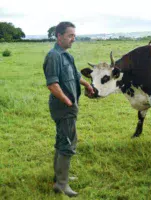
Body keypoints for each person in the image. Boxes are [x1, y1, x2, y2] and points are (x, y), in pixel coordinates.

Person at [43, 21, 94, 197]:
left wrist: (87, 84)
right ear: (59, 36)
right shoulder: (54, 56)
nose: (74, 39)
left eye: (74, 35)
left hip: (69, 106)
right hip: (63, 107)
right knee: (68, 143)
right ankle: (61, 185)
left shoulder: (66, 55)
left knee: (62, 140)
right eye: (70, 35)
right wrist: (68, 101)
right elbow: (52, 84)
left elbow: (75, 75)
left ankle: (59, 176)